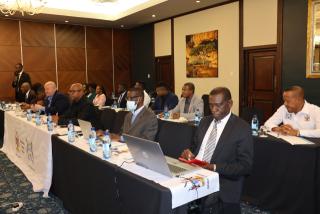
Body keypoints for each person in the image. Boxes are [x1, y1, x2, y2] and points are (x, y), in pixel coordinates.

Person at [181, 87, 253, 214]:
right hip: (196, 171)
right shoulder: (204, 121)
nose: (214, 109)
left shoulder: (242, 128)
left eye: (218, 105)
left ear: (230, 104)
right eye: (211, 105)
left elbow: (245, 166)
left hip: (221, 178)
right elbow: (194, 147)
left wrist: (214, 167)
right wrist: (189, 153)